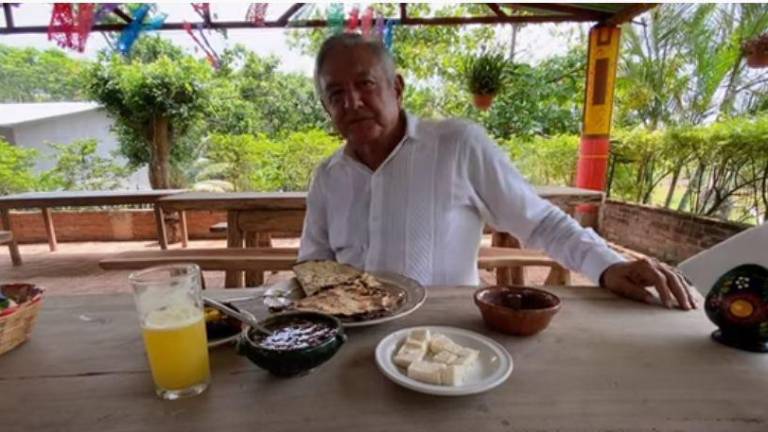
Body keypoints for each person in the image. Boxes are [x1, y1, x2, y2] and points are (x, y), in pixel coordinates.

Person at [298, 33, 700, 311]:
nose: (351, 103)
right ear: (326, 108)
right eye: (336, 94)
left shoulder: (457, 146)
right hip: (354, 345)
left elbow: (540, 222)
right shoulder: (328, 177)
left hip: (450, 341)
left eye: (365, 84)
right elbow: (314, 266)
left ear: (398, 89)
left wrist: (607, 265)